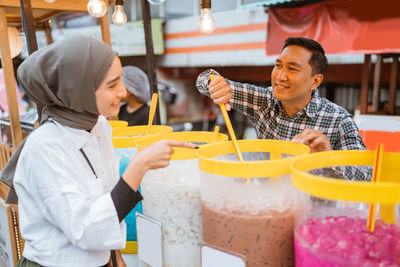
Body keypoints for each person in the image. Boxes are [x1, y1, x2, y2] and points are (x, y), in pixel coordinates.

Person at [3, 36, 196, 267]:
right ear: (78, 90)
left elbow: (106, 194)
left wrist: (115, 254)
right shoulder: (44, 147)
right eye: (112, 85)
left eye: (121, 81)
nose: (123, 92)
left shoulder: (99, 126)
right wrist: (139, 165)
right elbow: (86, 229)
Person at [196, 37, 369, 181]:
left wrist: (327, 157)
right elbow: (204, 80)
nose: (280, 76)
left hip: (314, 209)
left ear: (315, 81)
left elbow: (366, 176)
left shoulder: (339, 119)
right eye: (278, 65)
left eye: (292, 69)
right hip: (268, 200)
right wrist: (214, 84)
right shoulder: (264, 101)